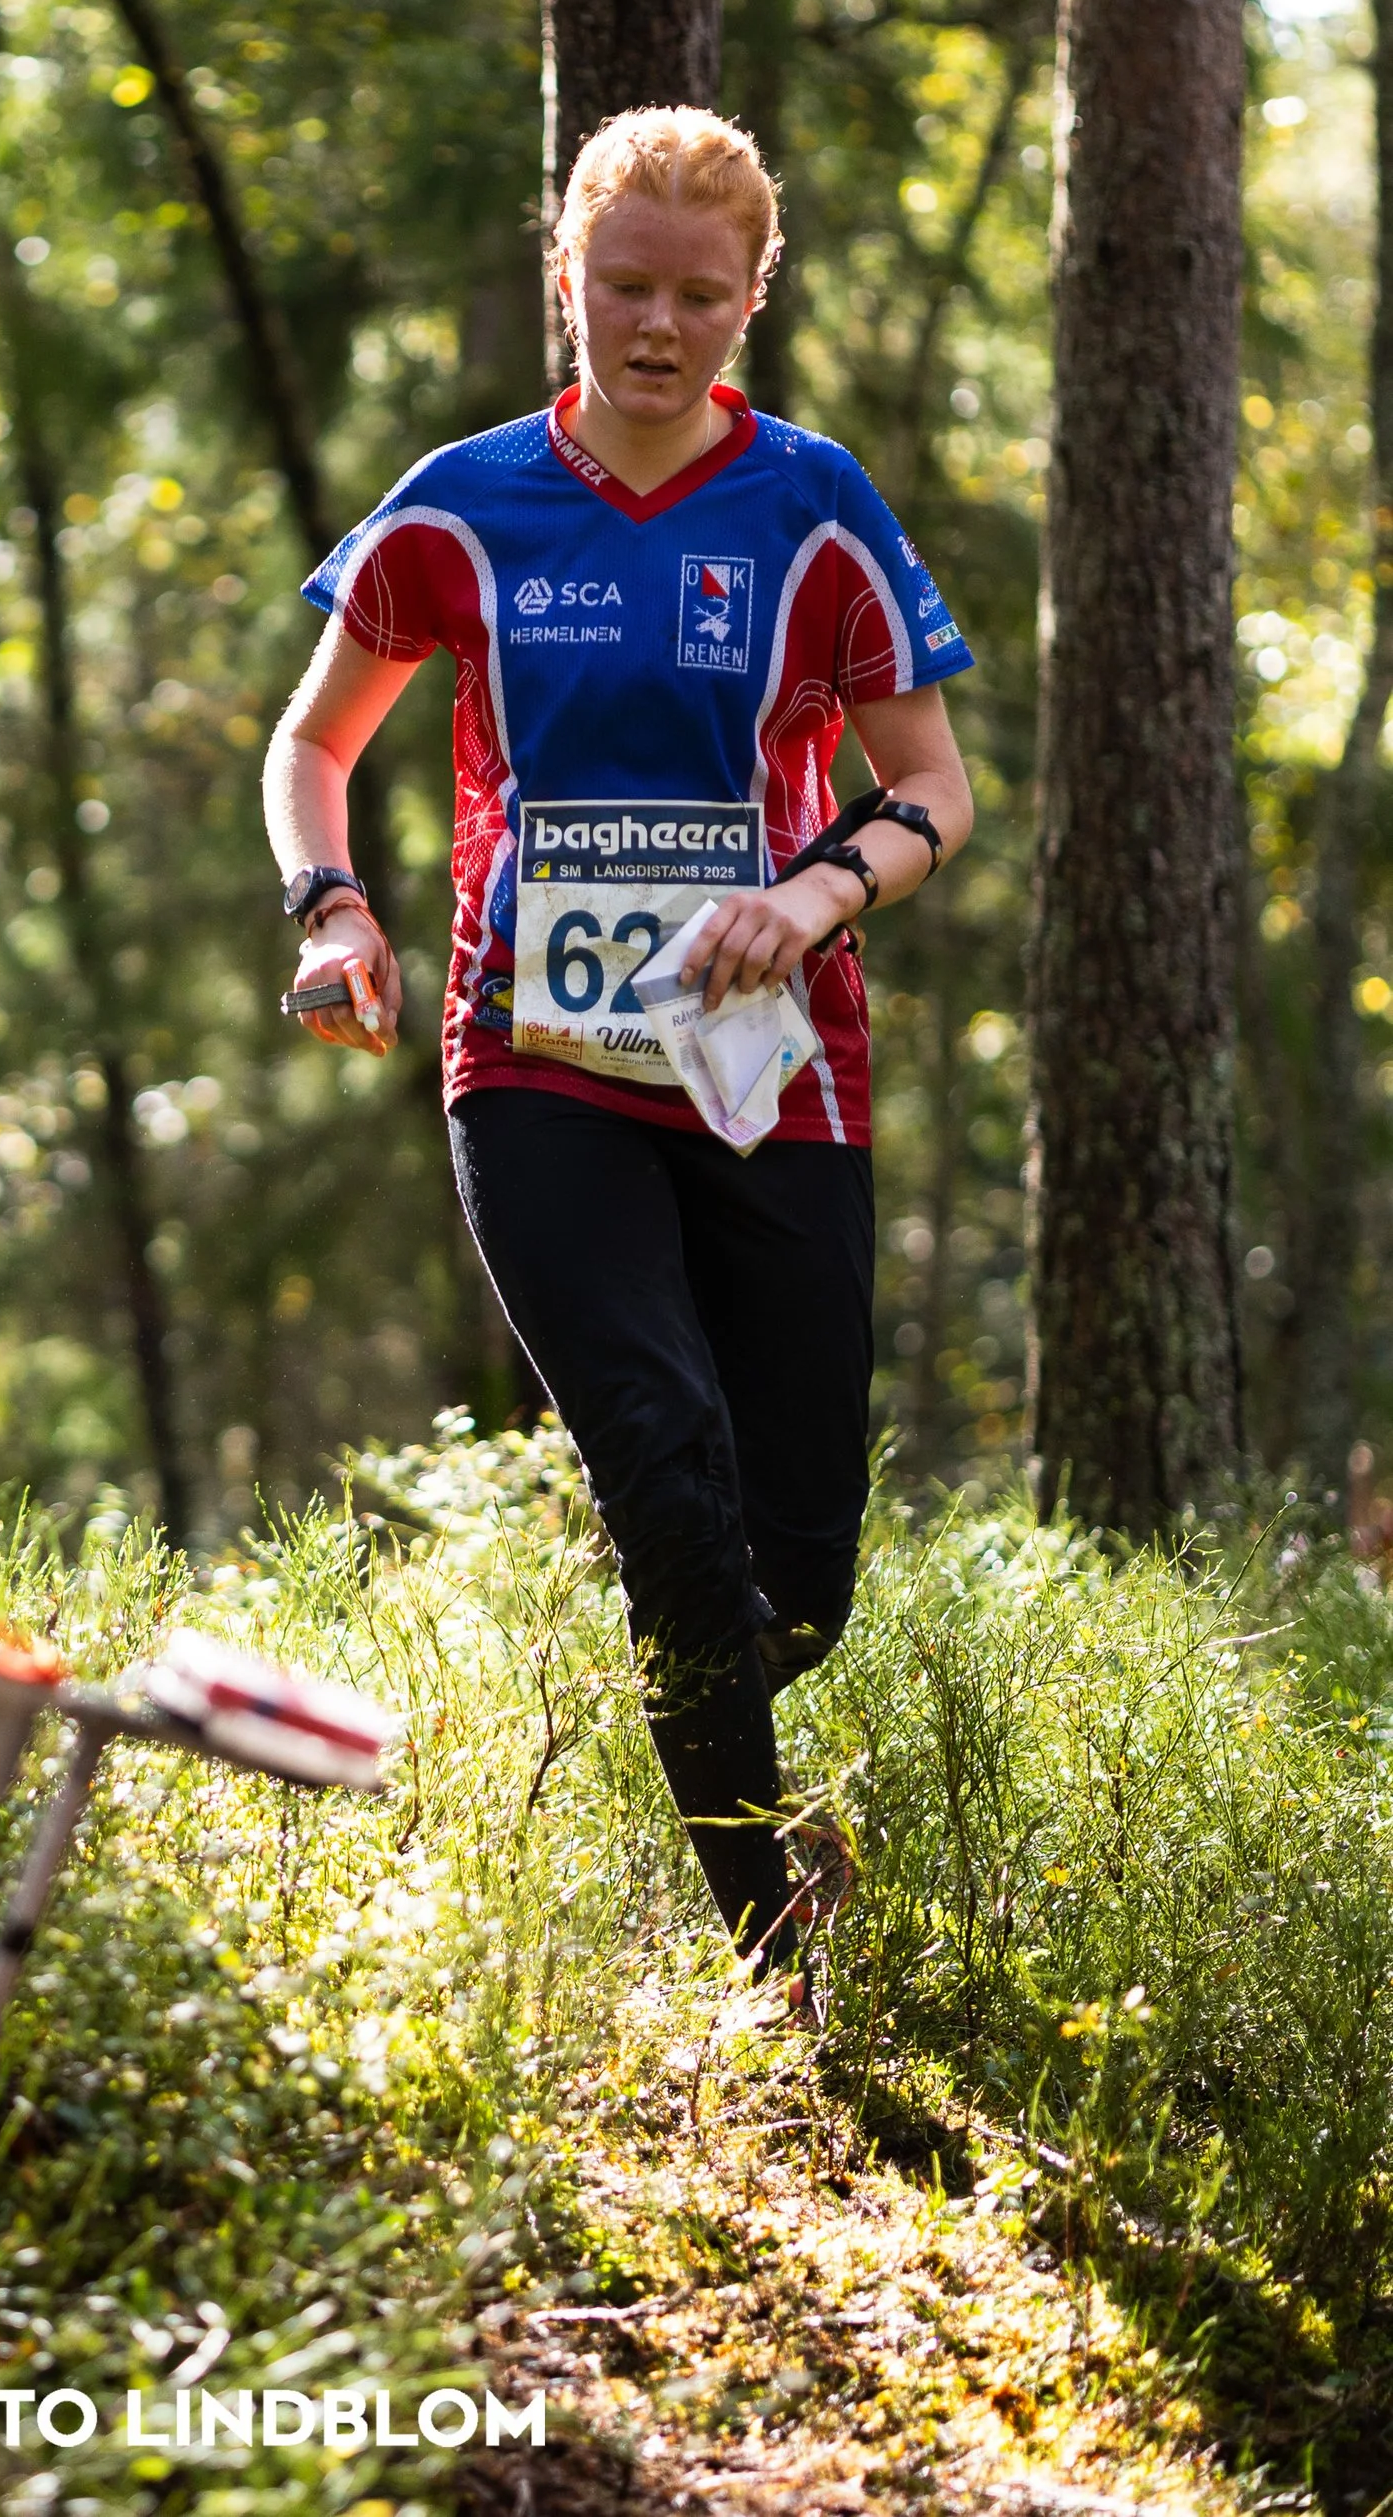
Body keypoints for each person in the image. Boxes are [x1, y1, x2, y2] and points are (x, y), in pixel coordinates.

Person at [263, 106, 974, 1986]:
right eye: (627, 286)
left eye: (701, 295)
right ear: (567, 278)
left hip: (772, 1068)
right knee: (661, 1457)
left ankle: (694, 1709)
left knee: (796, 1561)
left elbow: (933, 787)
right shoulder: (465, 503)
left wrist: (809, 899)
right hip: (536, 1062)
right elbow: (312, 741)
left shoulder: (813, 506)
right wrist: (333, 907)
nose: (660, 325)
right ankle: (767, 1953)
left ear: (752, 299)